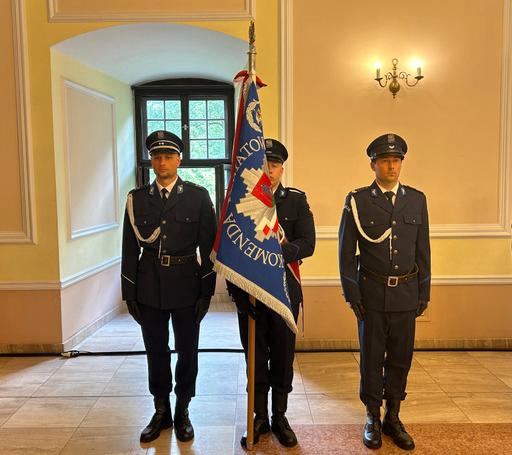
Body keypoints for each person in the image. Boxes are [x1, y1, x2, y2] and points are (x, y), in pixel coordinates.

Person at [121, 130, 217, 443]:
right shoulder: (137, 199)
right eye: (156, 157)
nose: (162, 162)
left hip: (187, 283)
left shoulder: (198, 196)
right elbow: (128, 249)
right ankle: (161, 409)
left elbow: (209, 247)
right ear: (151, 161)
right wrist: (129, 292)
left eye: (168, 156)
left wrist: (207, 290)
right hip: (149, 286)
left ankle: (183, 408)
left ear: (179, 160)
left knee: (187, 350)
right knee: (156, 351)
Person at [338, 133, 431, 451]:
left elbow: (423, 249)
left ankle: (393, 416)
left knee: (401, 358)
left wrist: (424, 291)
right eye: (385, 161)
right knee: (371, 358)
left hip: (406, 294)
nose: (391, 166)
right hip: (372, 294)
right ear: (373, 165)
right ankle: (372, 417)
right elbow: (346, 253)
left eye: (396, 160)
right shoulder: (359, 200)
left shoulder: (416, 199)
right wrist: (352, 294)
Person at [228, 138, 316, 448]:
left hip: (285, 292)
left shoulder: (295, 201)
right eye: (264, 165)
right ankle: (259, 416)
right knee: (255, 359)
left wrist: (276, 253)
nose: (269, 170)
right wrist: (238, 296)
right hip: (250, 293)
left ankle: (280, 416)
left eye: (275, 164)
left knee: (282, 358)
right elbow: (231, 250)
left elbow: (308, 243)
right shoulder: (242, 201)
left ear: (282, 168)